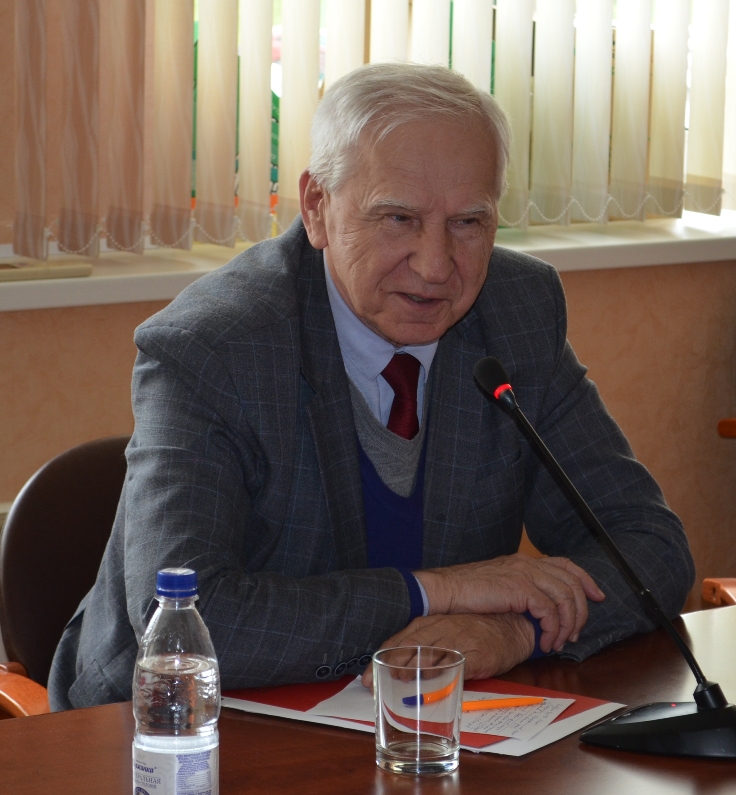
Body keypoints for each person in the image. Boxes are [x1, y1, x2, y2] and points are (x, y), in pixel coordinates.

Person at [49, 63, 694, 710]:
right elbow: (190, 625)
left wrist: (511, 629)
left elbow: (651, 548)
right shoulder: (216, 347)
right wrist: (440, 592)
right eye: (398, 218)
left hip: (417, 723)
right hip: (169, 726)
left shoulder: (517, 313)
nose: (436, 266)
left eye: (468, 223)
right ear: (317, 208)